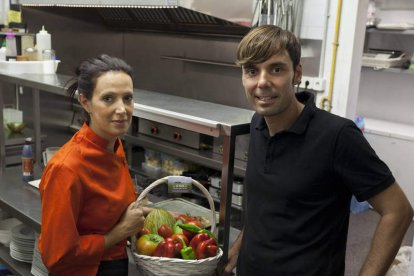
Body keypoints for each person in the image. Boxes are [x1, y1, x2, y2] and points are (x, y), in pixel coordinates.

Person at [223, 25, 413, 276]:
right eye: (251, 71)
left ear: (297, 73)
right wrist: (240, 247)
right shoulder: (259, 123)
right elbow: (265, 204)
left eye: (276, 69)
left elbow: (397, 211)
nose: (262, 82)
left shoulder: (337, 136)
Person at [38, 54, 148, 275]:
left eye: (127, 98)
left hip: (116, 264)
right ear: (85, 102)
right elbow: (56, 256)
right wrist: (120, 232)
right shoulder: (66, 168)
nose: (122, 109)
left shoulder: (114, 145)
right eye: (108, 99)